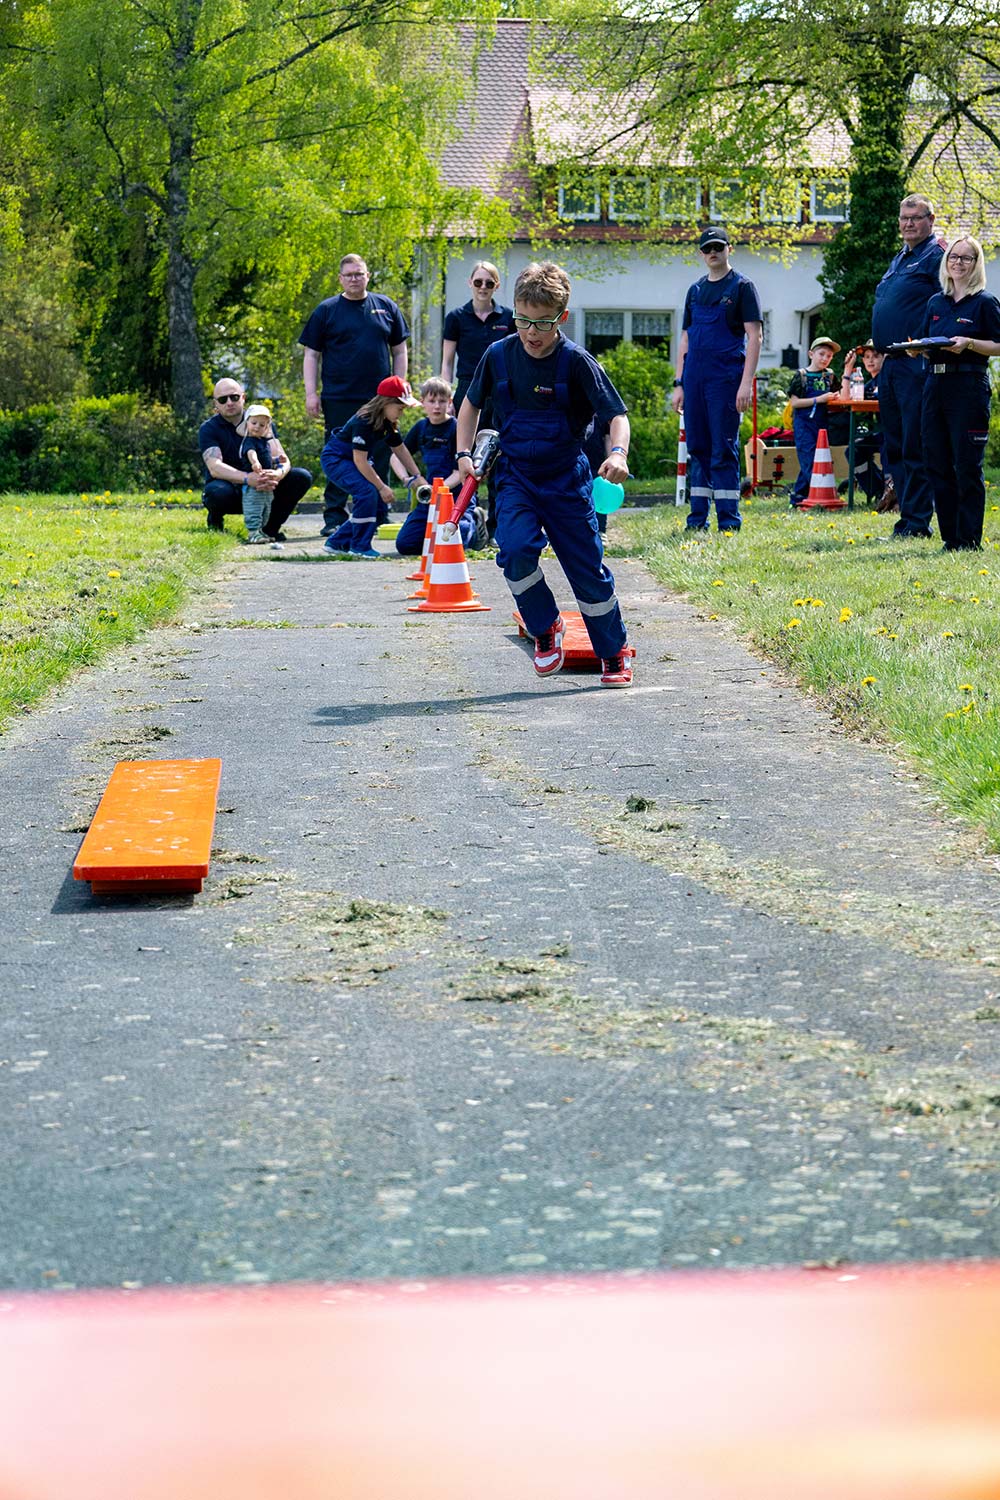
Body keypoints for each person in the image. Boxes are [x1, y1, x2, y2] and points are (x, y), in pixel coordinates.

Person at [456, 260, 633, 688]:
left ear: (562, 318)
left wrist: (619, 453)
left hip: (566, 480)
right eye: (523, 321)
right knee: (514, 551)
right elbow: (469, 407)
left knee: (586, 569)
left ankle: (613, 651)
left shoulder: (577, 362)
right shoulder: (498, 356)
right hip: (516, 476)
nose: (531, 332)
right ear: (513, 311)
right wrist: (463, 452)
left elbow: (617, 416)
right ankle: (546, 627)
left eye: (543, 323)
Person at [300, 253, 409, 537]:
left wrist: (400, 387)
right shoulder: (327, 310)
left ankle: (378, 515)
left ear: (368, 276)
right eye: (348, 274)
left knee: (380, 453)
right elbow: (312, 354)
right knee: (340, 455)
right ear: (340, 278)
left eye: (359, 274)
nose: (354, 279)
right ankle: (335, 515)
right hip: (338, 397)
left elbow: (399, 350)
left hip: (379, 398)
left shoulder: (385, 307)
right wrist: (311, 393)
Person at [671, 226, 763, 533]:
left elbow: (755, 336)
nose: (713, 253)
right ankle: (697, 520)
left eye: (718, 247)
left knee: (723, 448)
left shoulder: (742, 287)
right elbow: (684, 338)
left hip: (725, 379)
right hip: (695, 377)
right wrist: (679, 383)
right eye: (708, 248)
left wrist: (745, 383)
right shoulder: (695, 291)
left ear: (728, 249)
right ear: (701, 254)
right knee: (698, 447)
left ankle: (728, 521)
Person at [918, 234, 1000, 551]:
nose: (958, 263)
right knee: (936, 462)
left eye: (966, 258)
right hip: (934, 387)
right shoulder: (935, 303)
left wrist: (970, 343)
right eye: (954, 256)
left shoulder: (985, 303)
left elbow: (997, 345)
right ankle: (950, 537)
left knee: (966, 465)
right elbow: (928, 342)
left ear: (976, 264)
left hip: (968, 387)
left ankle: (969, 539)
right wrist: (917, 350)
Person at [871, 193, 944, 539]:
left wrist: (931, 346)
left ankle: (918, 522)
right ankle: (906, 519)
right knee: (895, 445)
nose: (909, 223)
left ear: (931, 219)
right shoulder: (900, 258)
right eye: (904, 218)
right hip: (890, 363)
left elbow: (948, 304)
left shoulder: (937, 256)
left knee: (916, 444)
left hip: (916, 363)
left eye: (916, 217)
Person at [441, 262, 514, 542]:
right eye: (479, 282)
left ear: (497, 286)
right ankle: (466, 523)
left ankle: (496, 527)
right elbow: (448, 362)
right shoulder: (456, 318)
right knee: (466, 458)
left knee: (497, 459)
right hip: (468, 394)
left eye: (489, 283)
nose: (483, 287)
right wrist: (447, 393)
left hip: (500, 395)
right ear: (470, 282)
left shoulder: (508, 316)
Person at [320, 376, 423, 558]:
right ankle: (359, 546)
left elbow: (400, 449)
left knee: (370, 495)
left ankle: (336, 543)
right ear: (386, 403)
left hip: (352, 459)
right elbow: (360, 460)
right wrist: (382, 487)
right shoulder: (364, 421)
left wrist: (417, 475)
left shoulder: (387, 423)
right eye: (399, 408)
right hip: (336, 459)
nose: (401, 413)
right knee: (367, 492)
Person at [199, 378, 312, 538]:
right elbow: (214, 467)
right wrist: (247, 478)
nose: (229, 402)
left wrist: (277, 474)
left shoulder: (262, 421)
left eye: (234, 397)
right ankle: (216, 521)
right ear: (215, 404)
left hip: (264, 486)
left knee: (301, 477)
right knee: (216, 492)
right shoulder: (209, 428)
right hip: (231, 489)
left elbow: (283, 459)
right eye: (223, 400)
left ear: (243, 398)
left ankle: (270, 529)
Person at [394, 377, 487, 555]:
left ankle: (474, 521)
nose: (437, 406)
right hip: (430, 498)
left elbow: (457, 471)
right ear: (423, 403)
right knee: (406, 545)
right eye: (432, 401)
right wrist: (409, 480)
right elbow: (396, 457)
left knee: (458, 545)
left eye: (442, 401)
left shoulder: (457, 429)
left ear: (449, 402)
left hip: (458, 498)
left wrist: (438, 488)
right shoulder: (421, 428)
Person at [787, 336, 841, 508]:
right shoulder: (801, 376)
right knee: (809, 460)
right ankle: (819, 497)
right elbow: (795, 403)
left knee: (820, 459)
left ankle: (798, 496)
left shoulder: (830, 376)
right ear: (811, 354)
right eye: (821, 354)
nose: (825, 358)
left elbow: (838, 395)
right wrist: (820, 399)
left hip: (822, 424)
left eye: (829, 356)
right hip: (804, 425)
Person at [839, 341, 889, 506]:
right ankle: (877, 489)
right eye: (867, 357)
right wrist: (848, 370)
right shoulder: (867, 384)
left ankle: (892, 491)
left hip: (895, 432)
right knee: (854, 450)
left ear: (885, 357)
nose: (870, 360)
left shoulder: (889, 378)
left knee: (888, 447)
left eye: (876, 356)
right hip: (878, 433)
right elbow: (846, 399)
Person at [238, 403, 286, 544]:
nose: (257, 427)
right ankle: (253, 532)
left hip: (266, 483)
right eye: (254, 423)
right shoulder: (249, 441)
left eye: (262, 425)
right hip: (254, 484)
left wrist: (277, 459)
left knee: (265, 509)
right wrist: (254, 462)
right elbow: (251, 453)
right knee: (254, 508)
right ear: (247, 423)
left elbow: (266, 458)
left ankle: (261, 531)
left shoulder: (263, 442)